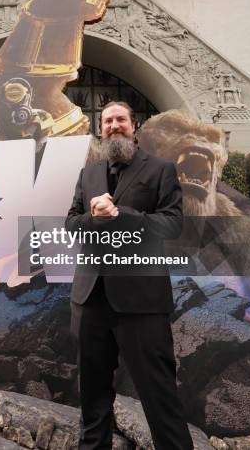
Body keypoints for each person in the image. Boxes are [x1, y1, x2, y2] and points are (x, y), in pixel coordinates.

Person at [65, 101, 194, 450]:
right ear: (101, 129)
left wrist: (122, 214)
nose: (114, 125)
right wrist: (94, 219)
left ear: (133, 126)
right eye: (107, 121)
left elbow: (172, 224)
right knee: (92, 396)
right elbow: (71, 223)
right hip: (90, 299)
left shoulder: (160, 170)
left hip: (141, 302)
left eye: (120, 119)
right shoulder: (88, 173)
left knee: (159, 395)